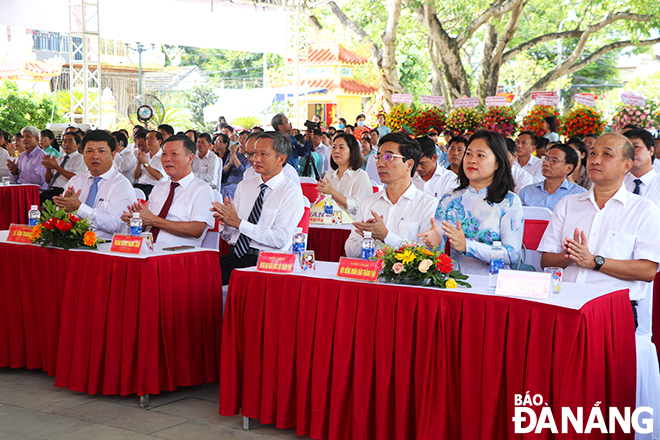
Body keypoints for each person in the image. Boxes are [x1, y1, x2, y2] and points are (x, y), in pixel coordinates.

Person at [537, 133, 660, 434]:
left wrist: (596, 261)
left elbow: (647, 270)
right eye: (592, 153)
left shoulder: (643, 210)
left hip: (613, 315)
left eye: (607, 154)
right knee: (558, 388)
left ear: (627, 165)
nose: (595, 160)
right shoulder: (568, 204)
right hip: (564, 307)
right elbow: (546, 260)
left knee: (599, 393)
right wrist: (569, 257)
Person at [418, 130, 524, 275]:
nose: (472, 160)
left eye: (480, 155)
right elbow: (437, 253)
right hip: (454, 282)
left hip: (493, 285)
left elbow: (512, 254)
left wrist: (467, 246)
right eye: (468, 154)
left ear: (497, 163)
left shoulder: (509, 201)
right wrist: (435, 243)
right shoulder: (450, 199)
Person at [213, 131, 305, 285]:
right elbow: (231, 237)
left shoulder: (291, 192)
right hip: (235, 255)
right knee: (199, 285)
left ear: (281, 159)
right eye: (254, 153)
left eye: (263, 154)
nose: (255, 159)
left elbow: (280, 239)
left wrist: (239, 223)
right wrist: (226, 222)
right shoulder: (245, 186)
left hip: (267, 263)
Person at [345, 133, 438, 257]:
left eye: (389, 157)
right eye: (378, 157)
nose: (380, 164)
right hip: (370, 274)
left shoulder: (428, 204)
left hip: (406, 276)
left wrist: (386, 236)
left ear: (409, 164)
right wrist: (367, 237)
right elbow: (350, 252)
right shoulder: (369, 203)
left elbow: (425, 256)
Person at [122, 135, 214, 247]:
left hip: (177, 255)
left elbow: (197, 230)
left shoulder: (202, 189)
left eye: (174, 153)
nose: (167, 159)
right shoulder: (158, 188)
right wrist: (138, 219)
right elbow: (147, 223)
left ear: (190, 158)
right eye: (164, 154)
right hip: (146, 250)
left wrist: (154, 220)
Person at [53, 130, 137, 239]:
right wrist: (64, 209)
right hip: (73, 243)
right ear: (83, 153)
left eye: (101, 151)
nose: (95, 156)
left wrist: (79, 207)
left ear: (113, 155)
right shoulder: (76, 181)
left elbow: (116, 224)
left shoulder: (121, 184)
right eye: (89, 151)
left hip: (106, 247)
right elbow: (59, 216)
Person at [317, 133, 372, 216]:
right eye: (334, 147)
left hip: (351, 227)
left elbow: (358, 206)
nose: (336, 151)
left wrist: (332, 192)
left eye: (341, 147)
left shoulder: (360, 175)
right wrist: (322, 198)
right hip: (329, 225)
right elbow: (321, 207)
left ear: (352, 151)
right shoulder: (328, 176)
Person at [518, 143, 586, 210]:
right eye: (545, 158)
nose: (546, 163)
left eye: (554, 160)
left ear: (569, 168)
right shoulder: (526, 192)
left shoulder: (579, 195)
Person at [40, 131, 87, 204]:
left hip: (65, 192)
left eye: (70, 142)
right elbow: (48, 180)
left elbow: (75, 177)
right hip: (51, 190)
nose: (66, 144)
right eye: (64, 141)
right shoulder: (59, 159)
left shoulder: (80, 159)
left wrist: (56, 167)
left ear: (78, 145)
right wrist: (48, 168)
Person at [623, 129, 660, 206]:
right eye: (627, 148)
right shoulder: (617, 182)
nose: (631, 152)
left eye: (636, 147)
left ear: (651, 150)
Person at [215, 132, 248, 199]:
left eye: (243, 138)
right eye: (240, 138)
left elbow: (243, 172)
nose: (240, 140)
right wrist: (230, 164)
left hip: (239, 182)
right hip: (228, 181)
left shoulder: (248, 156)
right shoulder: (232, 152)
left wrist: (234, 156)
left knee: (226, 190)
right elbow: (223, 171)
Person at [133, 130, 165, 199]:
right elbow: (135, 176)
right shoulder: (145, 156)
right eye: (147, 138)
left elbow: (158, 176)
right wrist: (139, 162)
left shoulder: (163, 157)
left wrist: (144, 163)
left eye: (151, 138)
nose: (148, 141)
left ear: (159, 142)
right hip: (140, 185)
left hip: (155, 187)